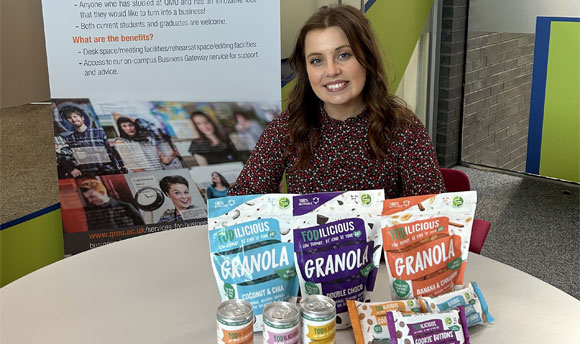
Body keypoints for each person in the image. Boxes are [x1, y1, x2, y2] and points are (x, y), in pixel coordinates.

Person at [228, 5, 445, 199]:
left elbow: (432, 213)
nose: (331, 71)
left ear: (366, 58)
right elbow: (240, 202)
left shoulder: (403, 127)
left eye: (343, 55)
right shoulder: (286, 128)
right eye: (317, 60)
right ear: (306, 70)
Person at [58, 105, 125, 178]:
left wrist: (120, 169)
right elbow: (64, 157)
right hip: (86, 175)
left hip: (108, 172)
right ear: (68, 121)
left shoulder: (100, 132)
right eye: (69, 118)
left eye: (75, 116)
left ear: (82, 118)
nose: (73, 119)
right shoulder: (69, 139)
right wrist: (71, 168)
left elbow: (114, 152)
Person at [115, 116, 180, 171]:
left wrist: (171, 156)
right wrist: (149, 176)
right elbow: (131, 164)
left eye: (130, 125)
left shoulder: (148, 139)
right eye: (124, 126)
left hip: (159, 173)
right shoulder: (120, 141)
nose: (129, 128)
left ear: (135, 126)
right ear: (121, 129)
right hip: (143, 177)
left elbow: (165, 161)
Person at [79, 179, 144, 231]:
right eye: (87, 198)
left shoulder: (126, 206)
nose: (90, 201)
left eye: (92, 196)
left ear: (102, 192)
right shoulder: (92, 214)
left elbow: (142, 227)